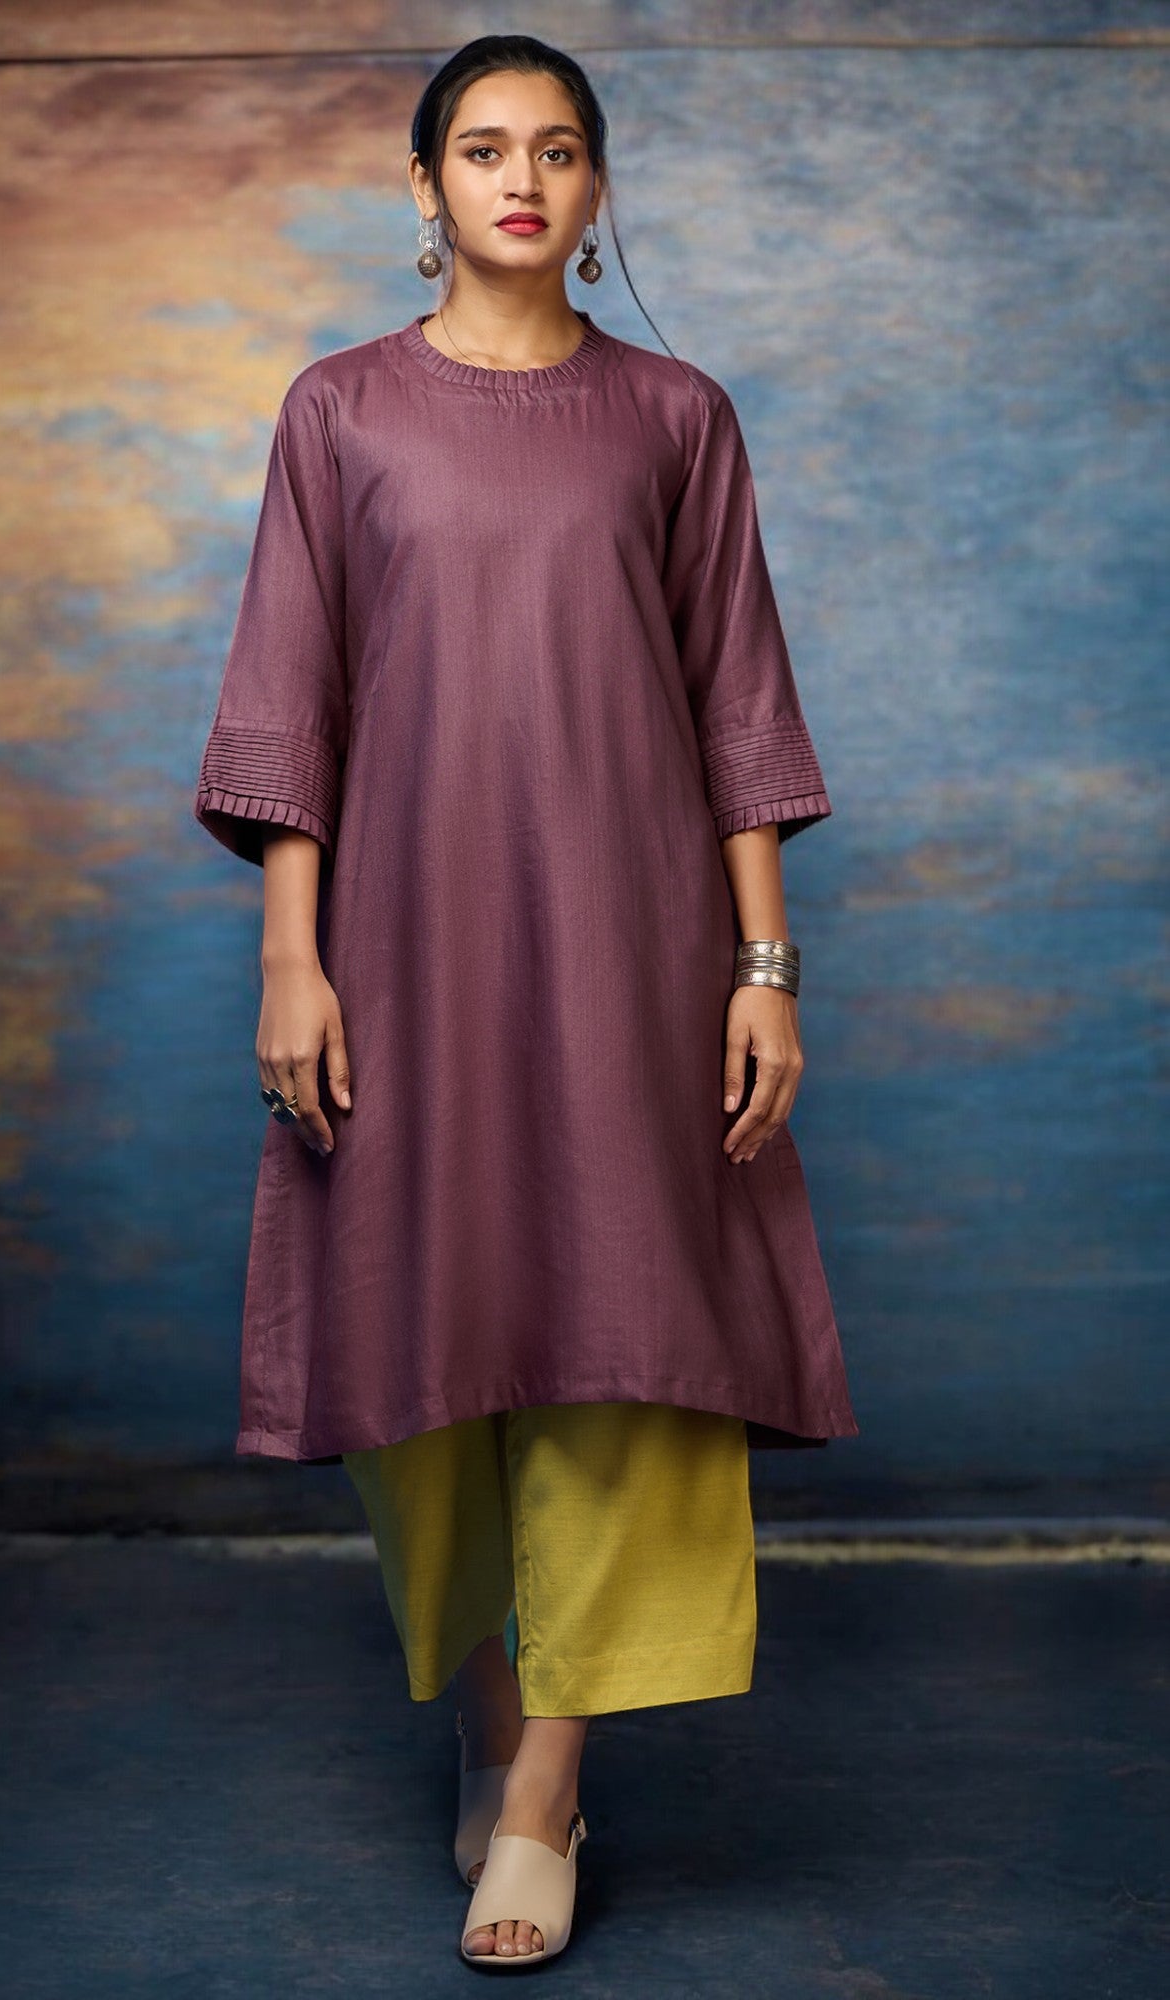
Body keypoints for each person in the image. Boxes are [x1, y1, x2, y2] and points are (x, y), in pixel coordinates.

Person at [194, 32, 858, 1968]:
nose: (519, 179)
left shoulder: (673, 418)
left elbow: (739, 703)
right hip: (401, 946)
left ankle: (550, 1790)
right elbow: (289, 697)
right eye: (481, 149)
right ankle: (491, 1729)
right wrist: (292, 955)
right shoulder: (339, 412)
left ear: (594, 189)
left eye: (556, 150)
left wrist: (761, 969)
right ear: (423, 190)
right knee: (425, 1347)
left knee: (622, 1343)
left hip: (633, 945)